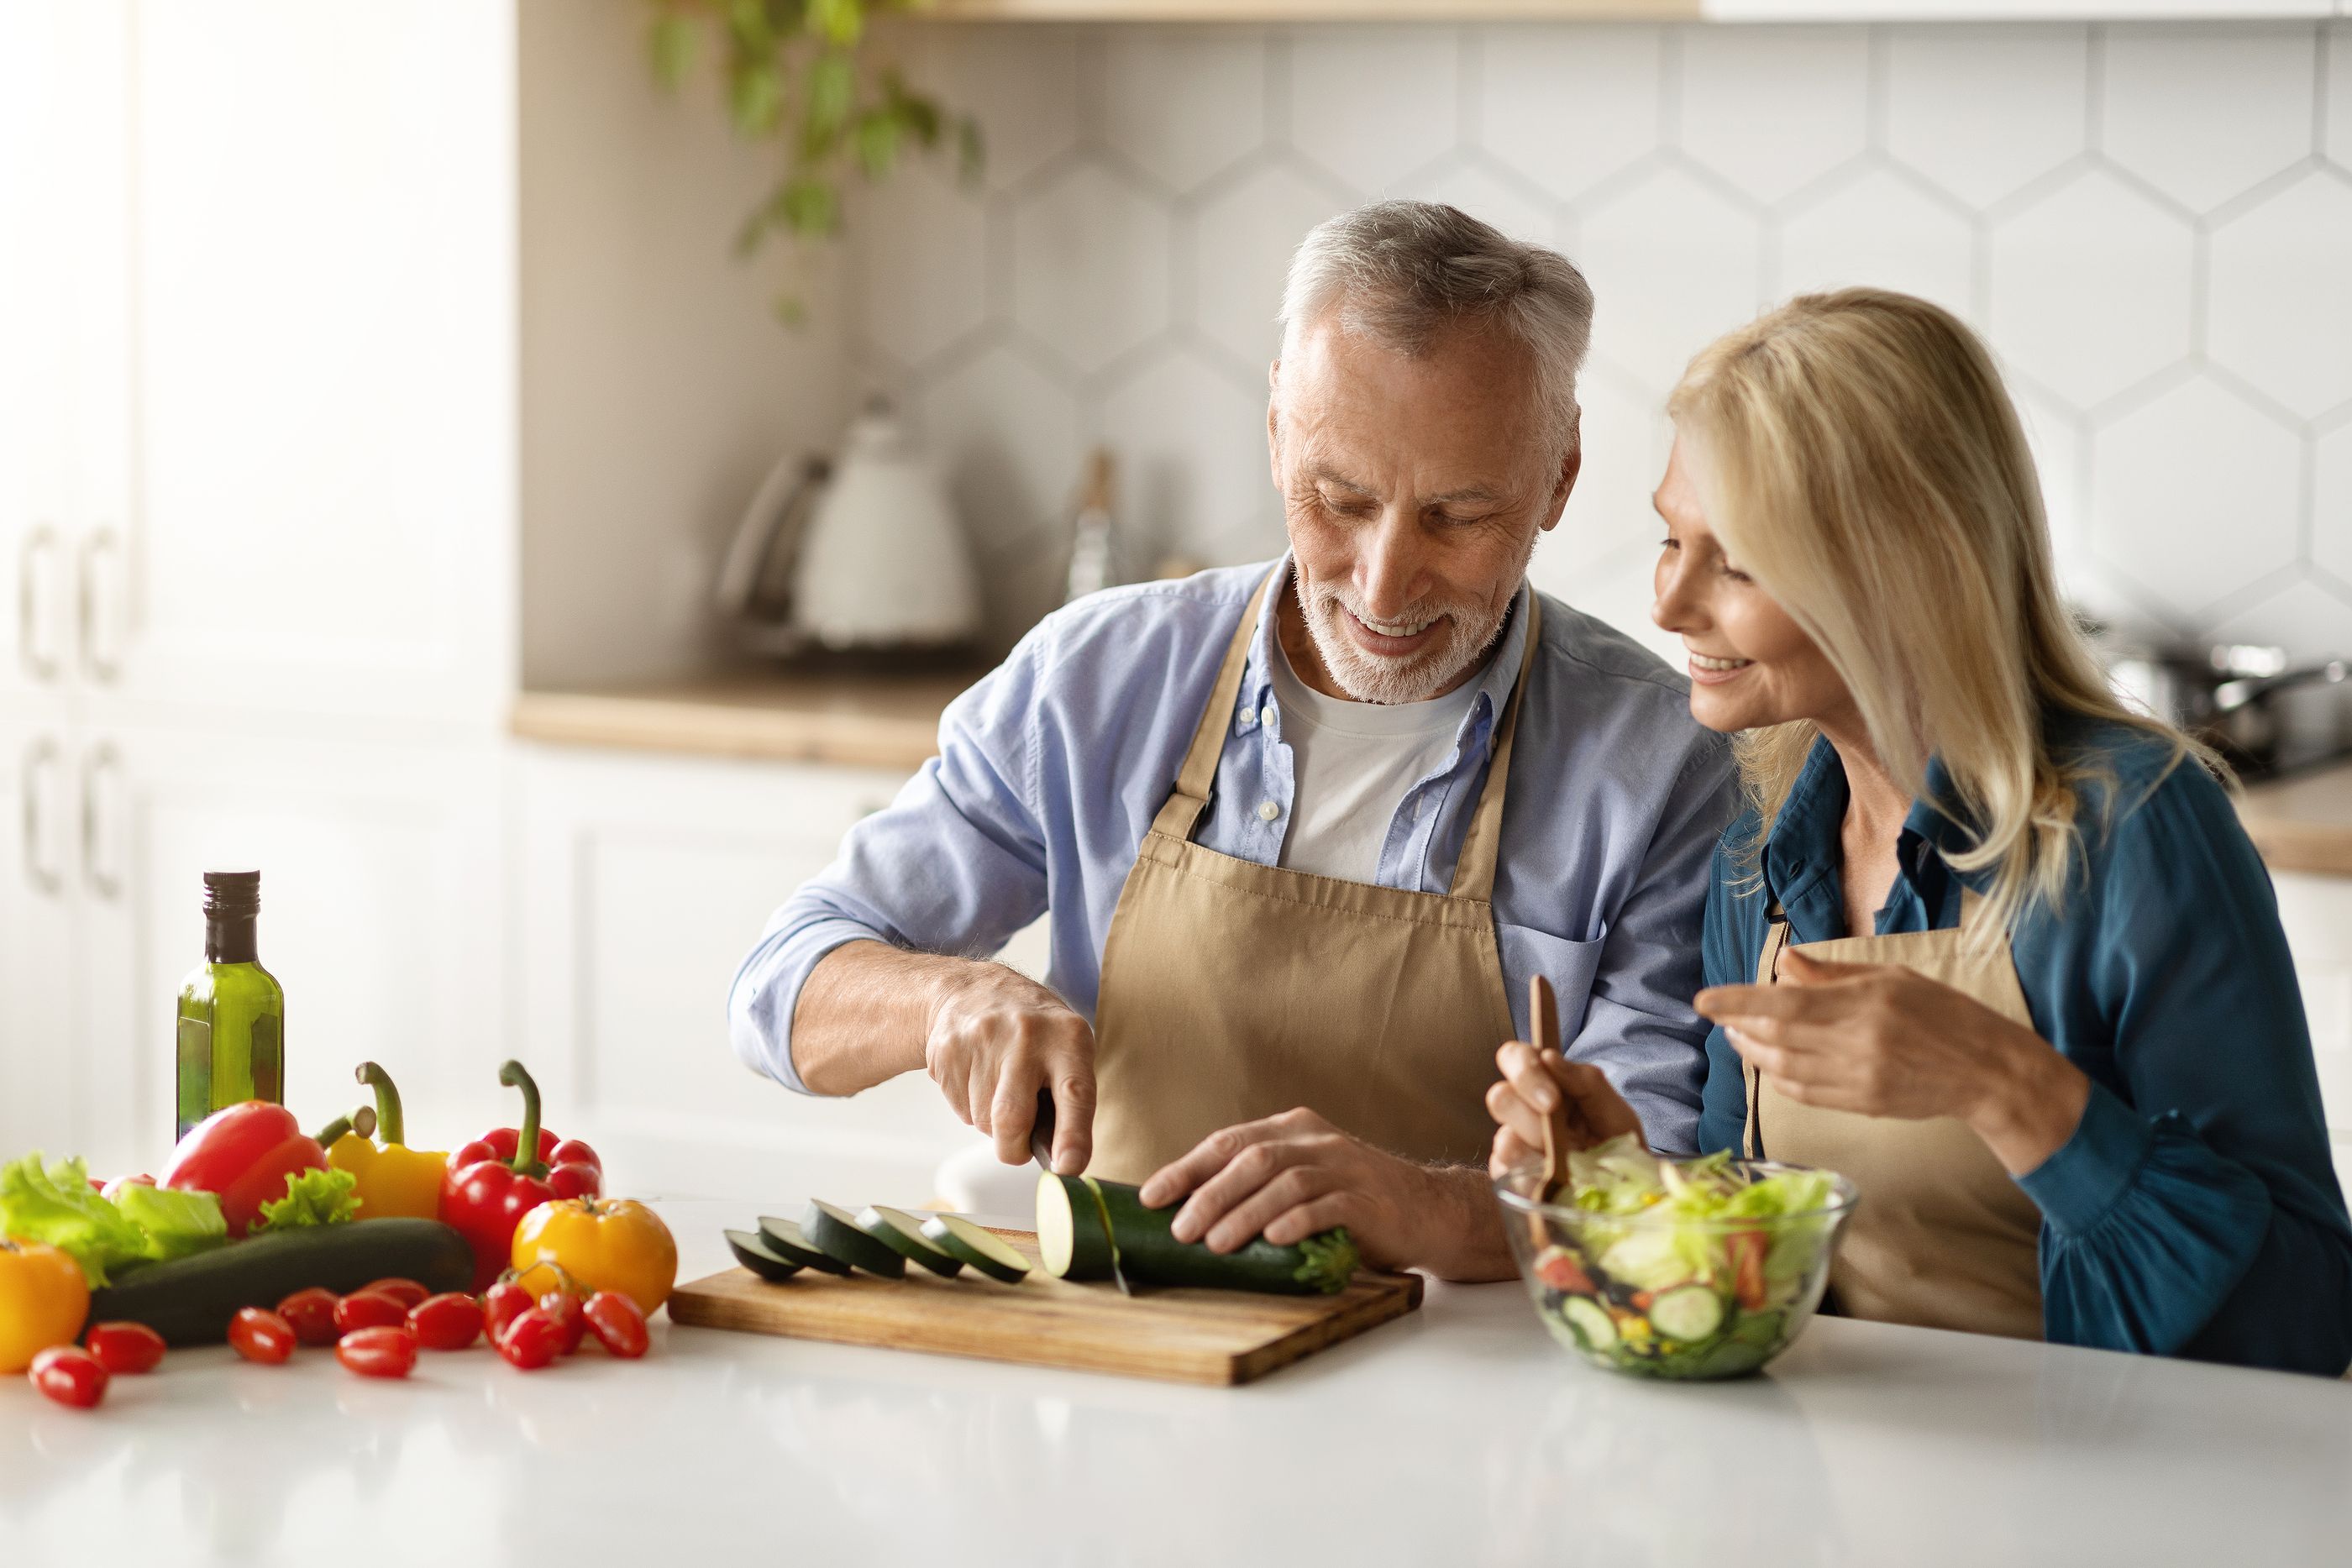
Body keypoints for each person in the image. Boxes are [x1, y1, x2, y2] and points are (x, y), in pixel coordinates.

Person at [730, 201, 1736, 1280]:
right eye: (1339, 498)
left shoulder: (1661, 765)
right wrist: (945, 998)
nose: (1385, 582)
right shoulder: (1097, 681)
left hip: (1485, 1399)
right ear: (1274, 432)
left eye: (1457, 516)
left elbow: (1664, 1176)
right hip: (1129, 1370)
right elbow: (780, 989)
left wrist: (1430, 1207)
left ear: (1559, 477)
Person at [1489, 288, 2352, 1372]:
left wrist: (2009, 1084)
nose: (1668, 602)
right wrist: (1623, 1173)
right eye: (1673, 537)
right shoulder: (1762, 843)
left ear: (1901, 568)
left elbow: (2304, 1318)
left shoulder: (2132, 826)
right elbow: (1768, 1232)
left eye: (1739, 562)